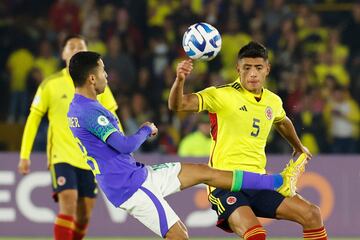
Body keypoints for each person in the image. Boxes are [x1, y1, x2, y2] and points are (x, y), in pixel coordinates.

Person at [67, 51, 307, 239]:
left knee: (204, 172)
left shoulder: (78, 108)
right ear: (91, 78)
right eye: (103, 70)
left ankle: (277, 181)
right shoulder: (89, 111)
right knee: (179, 235)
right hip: (129, 187)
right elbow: (123, 145)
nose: (106, 75)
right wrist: (146, 129)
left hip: (136, 174)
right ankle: (277, 182)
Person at [168, 41, 327, 240]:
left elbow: (282, 121)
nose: (252, 73)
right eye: (247, 68)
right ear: (238, 69)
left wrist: (298, 146)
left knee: (312, 214)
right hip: (225, 184)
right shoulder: (221, 95)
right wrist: (180, 80)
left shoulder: (273, 101)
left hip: (259, 181)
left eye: (258, 68)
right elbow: (178, 105)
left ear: (267, 69)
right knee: (256, 235)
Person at [18, 35, 121, 240]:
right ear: (63, 53)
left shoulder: (97, 83)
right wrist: (24, 155)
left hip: (89, 158)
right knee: (69, 203)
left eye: (80, 47)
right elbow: (34, 118)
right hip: (61, 156)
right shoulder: (51, 84)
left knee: (84, 216)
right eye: (71, 46)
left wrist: (121, 148)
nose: (75, 49)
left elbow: (112, 116)